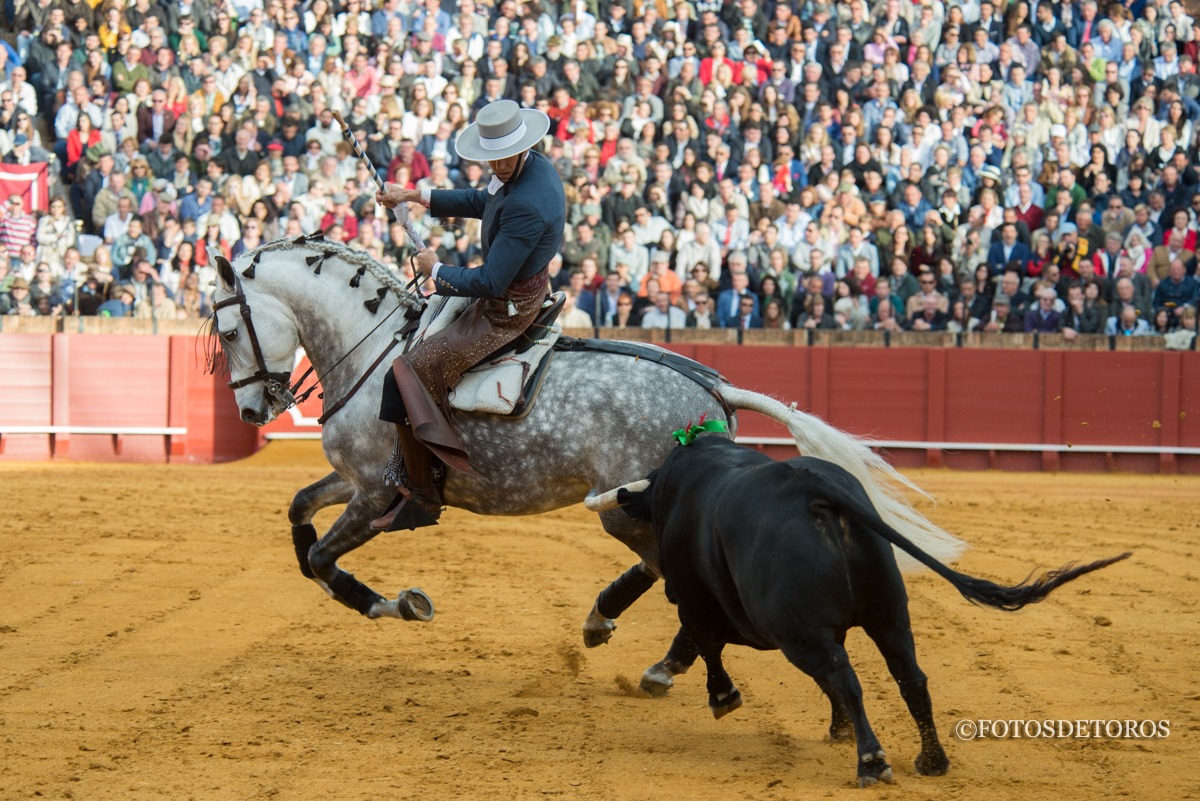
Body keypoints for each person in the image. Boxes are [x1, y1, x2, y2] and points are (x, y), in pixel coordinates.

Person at [371, 100, 563, 532]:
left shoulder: (528, 202)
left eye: (500, 158)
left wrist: (435, 271)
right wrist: (414, 195)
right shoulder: (526, 168)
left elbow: (492, 282)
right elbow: (481, 200)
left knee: (411, 371)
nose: (493, 166)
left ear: (521, 147)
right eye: (489, 157)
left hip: (505, 310)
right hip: (515, 288)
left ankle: (423, 495)